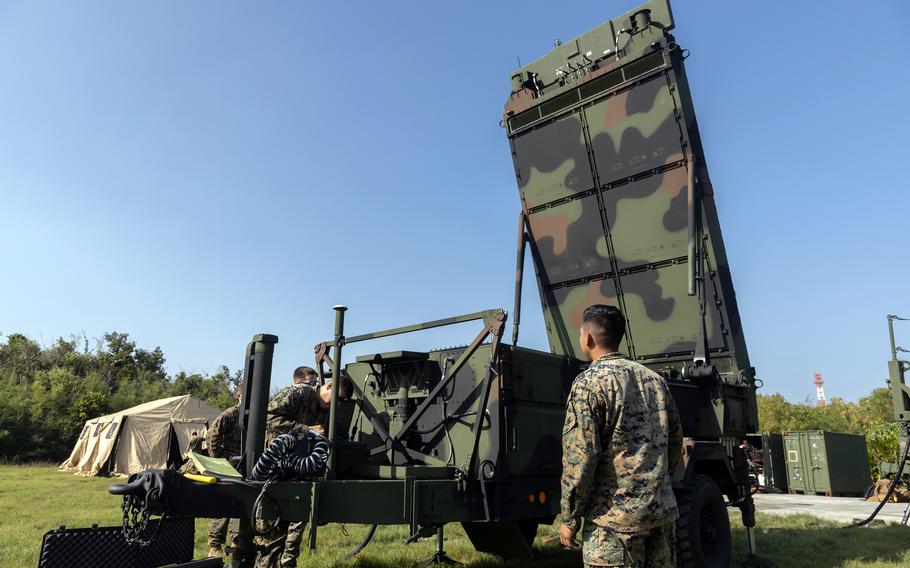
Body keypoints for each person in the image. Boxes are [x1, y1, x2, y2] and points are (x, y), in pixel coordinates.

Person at [560, 304, 683, 568]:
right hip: (660, 517)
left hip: (613, 525)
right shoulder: (655, 381)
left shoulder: (587, 384)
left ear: (588, 338)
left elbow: (580, 458)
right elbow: (674, 444)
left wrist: (569, 518)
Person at [255, 373, 352, 568]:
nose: (337, 404)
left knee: (295, 524)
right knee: (270, 529)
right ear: (329, 386)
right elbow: (269, 419)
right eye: (337, 398)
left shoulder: (326, 409)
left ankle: (287, 563)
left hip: (300, 470)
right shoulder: (298, 394)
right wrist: (305, 429)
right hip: (276, 468)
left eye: (341, 401)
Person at [206, 388, 243, 558]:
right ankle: (215, 545)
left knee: (242, 503)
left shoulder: (255, 416)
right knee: (224, 504)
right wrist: (219, 460)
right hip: (228, 465)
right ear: (239, 396)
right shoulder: (230, 414)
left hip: (245, 465)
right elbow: (212, 435)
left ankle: (236, 539)